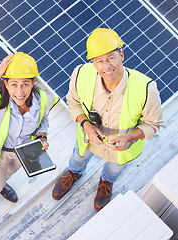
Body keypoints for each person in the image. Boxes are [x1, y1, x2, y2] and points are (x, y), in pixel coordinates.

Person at [52, 28, 163, 211]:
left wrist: (129, 138)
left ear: (122, 55)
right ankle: (74, 172)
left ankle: (106, 183)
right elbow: (73, 103)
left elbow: (153, 124)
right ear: (93, 63)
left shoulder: (146, 88)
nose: (107, 66)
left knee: (114, 170)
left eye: (111, 57)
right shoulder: (80, 74)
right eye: (100, 61)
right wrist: (85, 124)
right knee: (78, 158)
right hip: (89, 138)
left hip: (122, 146)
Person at [0, 52, 59, 225]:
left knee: (8, 173)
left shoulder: (42, 100)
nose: (19, 92)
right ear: (5, 83)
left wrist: (42, 135)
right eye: (13, 84)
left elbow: (43, 119)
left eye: (25, 84)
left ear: (33, 83)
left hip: (22, 151)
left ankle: (0, 183)